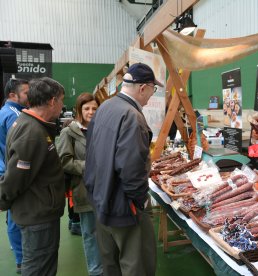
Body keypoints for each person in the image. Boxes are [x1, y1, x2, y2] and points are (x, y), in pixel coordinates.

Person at [84, 63, 162, 276]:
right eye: (153, 90)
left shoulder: (105, 108)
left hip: (102, 200)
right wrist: (138, 201)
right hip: (124, 207)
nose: (151, 96)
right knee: (137, 266)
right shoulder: (132, 116)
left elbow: (90, 154)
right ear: (143, 88)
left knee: (111, 265)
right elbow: (131, 168)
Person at [0, 77, 66, 276]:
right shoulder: (32, 132)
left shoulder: (32, 125)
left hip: (39, 210)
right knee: (39, 268)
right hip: (37, 215)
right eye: (62, 100)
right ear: (52, 101)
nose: (63, 106)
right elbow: (16, 177)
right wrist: (3, 200)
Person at [56, 93, 102, 276]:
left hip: (105, 190)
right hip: (83, 189)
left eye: (94, 108)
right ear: (79, 110)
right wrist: (88, 167)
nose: (91, 112)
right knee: (90, 233)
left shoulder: (102, 129)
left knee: (106, 233)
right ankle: (96, 271)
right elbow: (63, 161)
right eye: (87, 108)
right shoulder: (70, 132)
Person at [0, 78, 29, 274]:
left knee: (13, 216)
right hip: (10, 172)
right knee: (16, 217)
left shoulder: (5, 112)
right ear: (13, 95)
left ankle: (20, 255)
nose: (30, 96)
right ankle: (21, 259)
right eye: (26, 93)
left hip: (5, 170)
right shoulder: (14, 116)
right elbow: (21, 149)